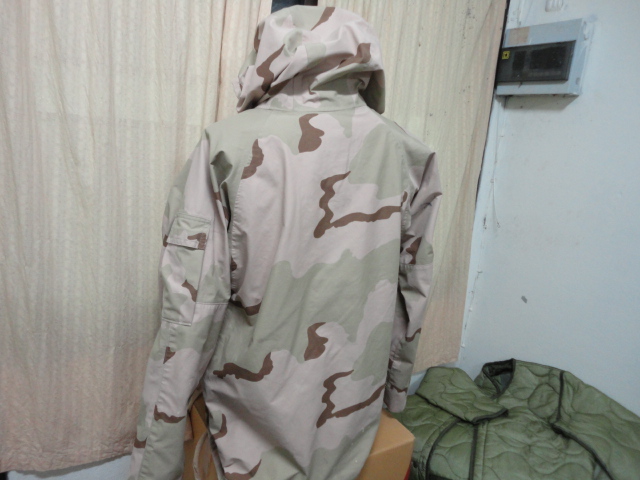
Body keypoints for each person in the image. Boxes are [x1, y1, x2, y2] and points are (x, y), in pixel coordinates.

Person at [129, 5, 442, 480]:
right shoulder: (409, 153)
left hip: (248, 432)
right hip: (352, 424)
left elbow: (189, 313)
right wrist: (395, 392)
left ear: (268, 54)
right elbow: (412, 285)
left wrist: (155, 465)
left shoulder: (226, 147)